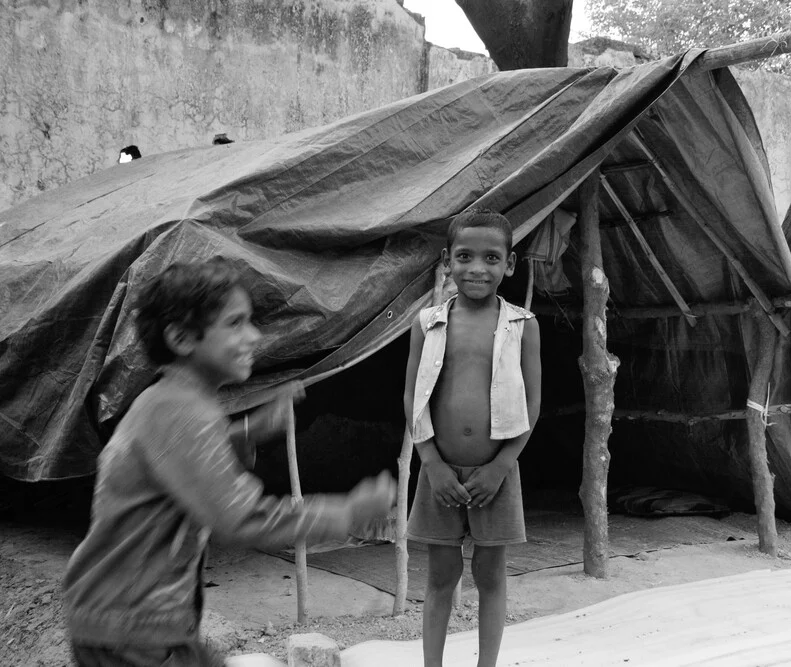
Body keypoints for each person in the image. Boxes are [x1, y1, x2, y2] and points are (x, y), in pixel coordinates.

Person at [63, 259, 396, 667]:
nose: (254, 336)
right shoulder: (184, 413)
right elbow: (240, 518)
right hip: (132, 627)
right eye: (235, 323)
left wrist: (250, 431)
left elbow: (183, 463)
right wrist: (347, 512)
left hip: (126, 616)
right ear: (183, 338)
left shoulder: (168, 402)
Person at [403, 208, 542, 667]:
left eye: (491, 257)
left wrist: (502, 466)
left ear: (510, 264)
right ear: (447, 260)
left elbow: (531, 405)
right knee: (441, 575)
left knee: (490, 575)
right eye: (464, 256)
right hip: (439, 473)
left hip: (496, 474)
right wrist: (432, 463)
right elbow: (413, 397)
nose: (477, 268)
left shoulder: (523, 325)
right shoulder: (426, 324)